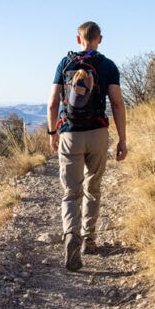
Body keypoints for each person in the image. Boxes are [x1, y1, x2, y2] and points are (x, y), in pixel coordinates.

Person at [47, 21, 128, 271]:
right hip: (97, 133)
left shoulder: (65, 63)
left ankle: (71, 234)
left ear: (78, 39)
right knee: (93, 187)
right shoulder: (107, 66)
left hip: (70, 133)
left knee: (71, 191)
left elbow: (52, 103)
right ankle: (89, 239)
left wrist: (52, 132)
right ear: (99, 39)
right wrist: (122, 139)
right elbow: (117, 104)